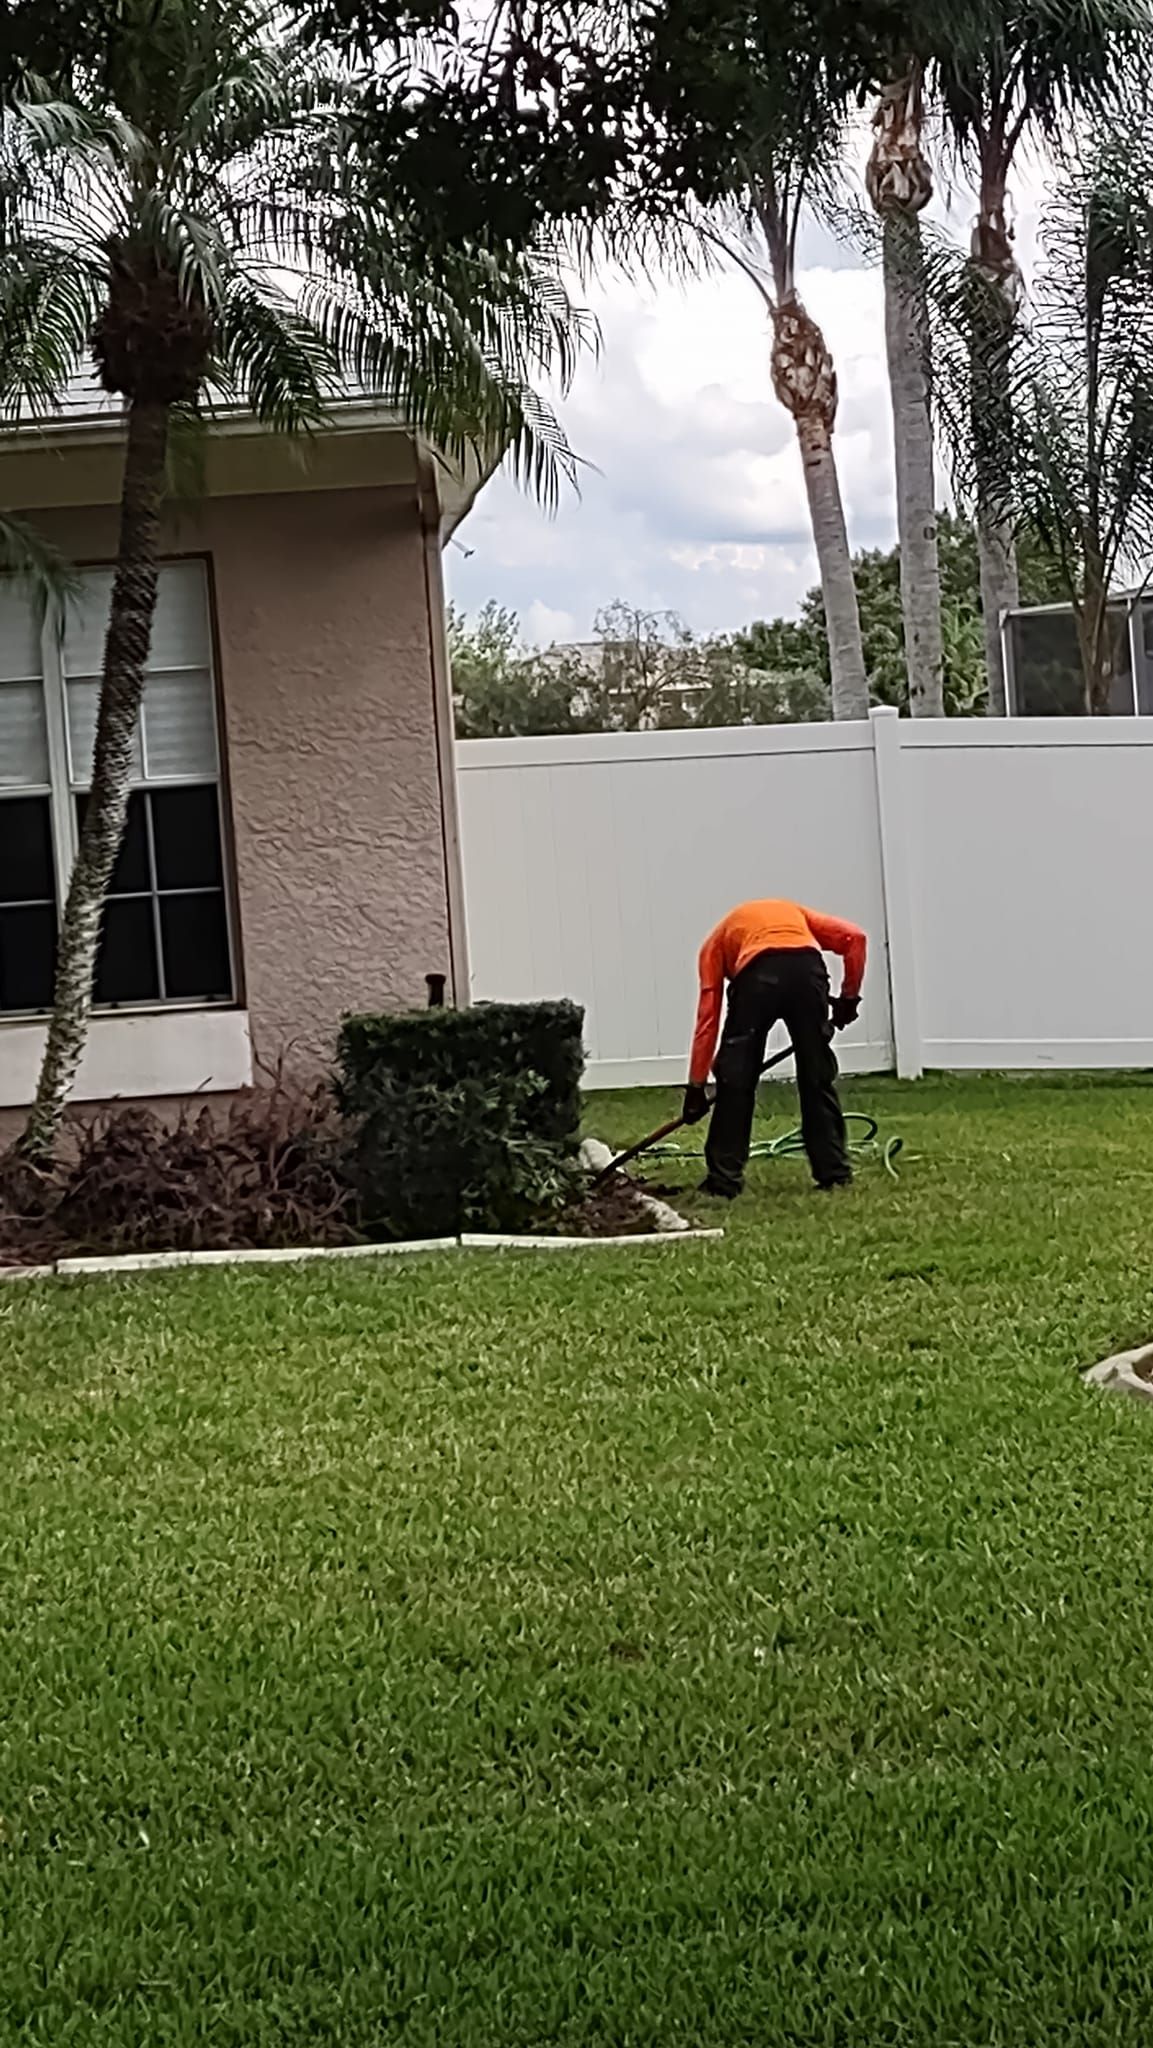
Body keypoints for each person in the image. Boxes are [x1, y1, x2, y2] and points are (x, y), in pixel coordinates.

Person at [683, 898, 867, 1199]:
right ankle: (834, 1173)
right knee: (816, 1075)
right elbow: (855, 939)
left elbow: (708, 1019)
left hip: (757, 978)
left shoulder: (712, 948)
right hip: (807, 971)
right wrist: (849, 998)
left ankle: (724, 1181)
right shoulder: (797, 914)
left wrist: (696, 1086)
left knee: (737, 1079)